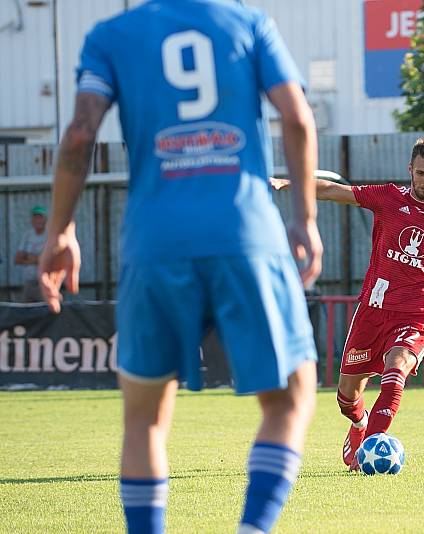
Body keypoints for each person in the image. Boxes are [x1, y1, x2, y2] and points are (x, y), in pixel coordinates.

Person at [37, 1, 322, 533]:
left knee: (145, 417)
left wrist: (60, 230)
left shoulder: (111, 35)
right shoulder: (249, 24)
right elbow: (297, 117)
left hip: (155, 243)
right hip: (245, 236)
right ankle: (252, 528)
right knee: (290, 396)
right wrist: (305, 216)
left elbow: (79, 136)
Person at [272, 136, 424, 470]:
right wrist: (293, 183)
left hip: (417, 313)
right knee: (346, 397)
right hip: (372, 311)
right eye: (421, 173)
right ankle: (359, 425)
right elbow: (333, 191)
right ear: (410, 170)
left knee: (397, 365)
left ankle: (369, 450)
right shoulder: (387, 198)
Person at [15, 205, 48, 302]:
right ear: (32, 220)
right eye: (35, 217)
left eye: (40, 217)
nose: (38, 220)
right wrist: (37, 259)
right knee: (26, 313)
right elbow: (17, 259)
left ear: (45, 219)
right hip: (29, 283)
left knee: (48, 312)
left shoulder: (50, 235)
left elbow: (52, 259)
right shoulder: (27, 235)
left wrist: (29, 257)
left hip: (46, 282)